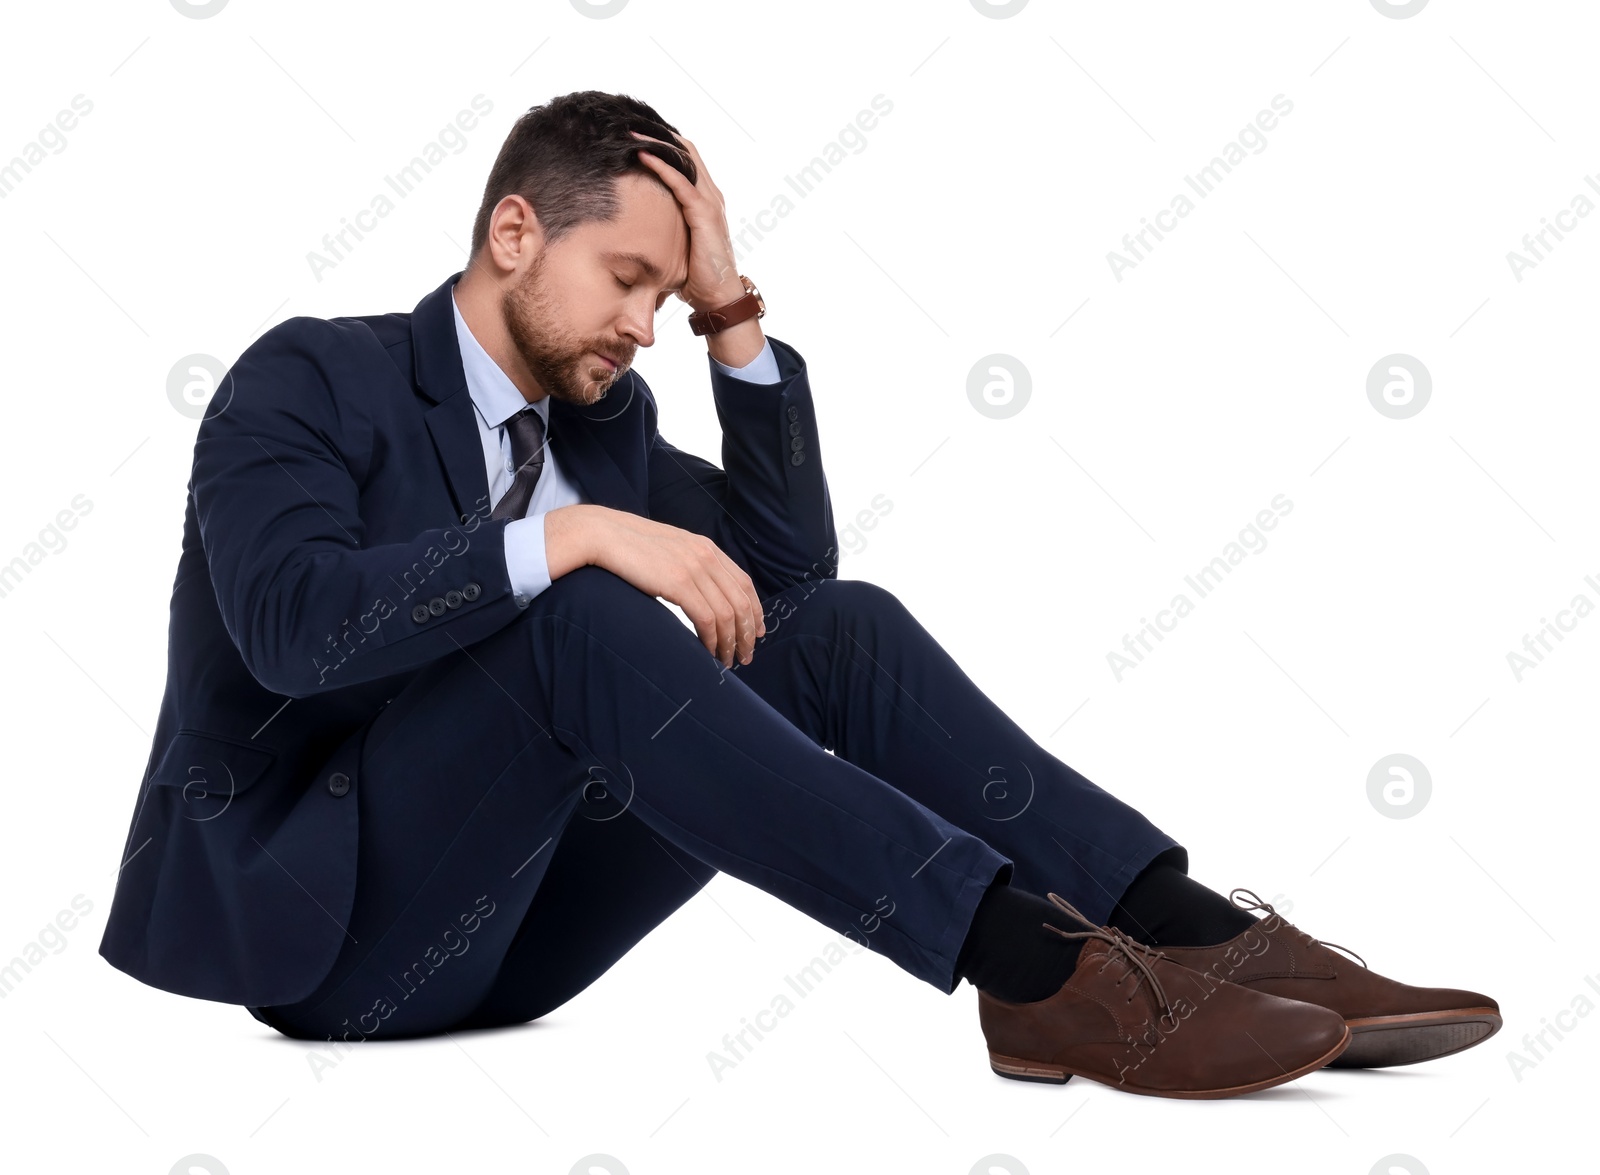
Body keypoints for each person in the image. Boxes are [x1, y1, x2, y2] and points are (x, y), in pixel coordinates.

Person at [99, 90, 1499, 1099]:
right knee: (581, 611)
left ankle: (1185, 928)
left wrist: (733, 317)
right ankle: (1026, 963)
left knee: (846, 632)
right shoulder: (308, 378)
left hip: (522, 941)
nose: (641, 325)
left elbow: (791, 588)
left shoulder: (600, 432)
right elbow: (292, 628)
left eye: (665, 297)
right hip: (329, 944)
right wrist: (573, 540)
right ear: (514, 233)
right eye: (628, 281)